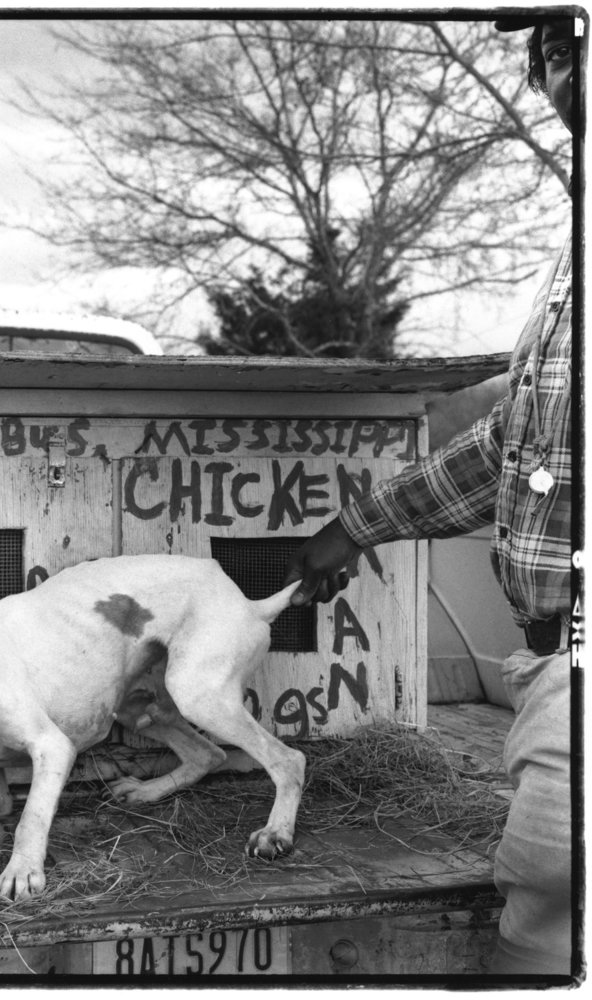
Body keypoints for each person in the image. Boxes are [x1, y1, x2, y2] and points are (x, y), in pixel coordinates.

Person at [283, 15, 580, 978]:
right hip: (559, 673)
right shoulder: (571, 253)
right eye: (550, 45)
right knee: (543, 894)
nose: (561, 67)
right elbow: (523, 443)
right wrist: (354, 529)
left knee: (547, 908)